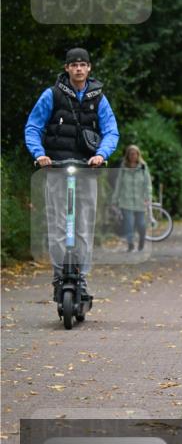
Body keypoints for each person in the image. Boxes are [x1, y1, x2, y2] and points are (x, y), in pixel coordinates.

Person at [24, 47, 120, 302]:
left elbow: (111, 131)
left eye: (83, 64)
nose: (78, 68)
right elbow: (33, 126)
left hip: (87, 169)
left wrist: (101, 154)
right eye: (73, 64)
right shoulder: (52, 95)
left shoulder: (99, 98)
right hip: (55, 167)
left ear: (89, 68)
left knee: (84, 227)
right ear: (66, 68)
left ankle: (82, 279)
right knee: (57, 225)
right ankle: (58, 276)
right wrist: (39, 154)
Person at [111, 144, 152, 252]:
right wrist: (114, 200)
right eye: (131, 154)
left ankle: (142, 240)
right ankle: (130, 244)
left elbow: (147, 184)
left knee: (141, 224)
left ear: (138, 155)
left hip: (140, 200)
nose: (133, 156)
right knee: (128, 224)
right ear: (128, 155)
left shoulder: (143, 167)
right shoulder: (123, 168)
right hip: (126, 200)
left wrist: (148, 197)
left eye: (135, 154)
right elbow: (118, 184)